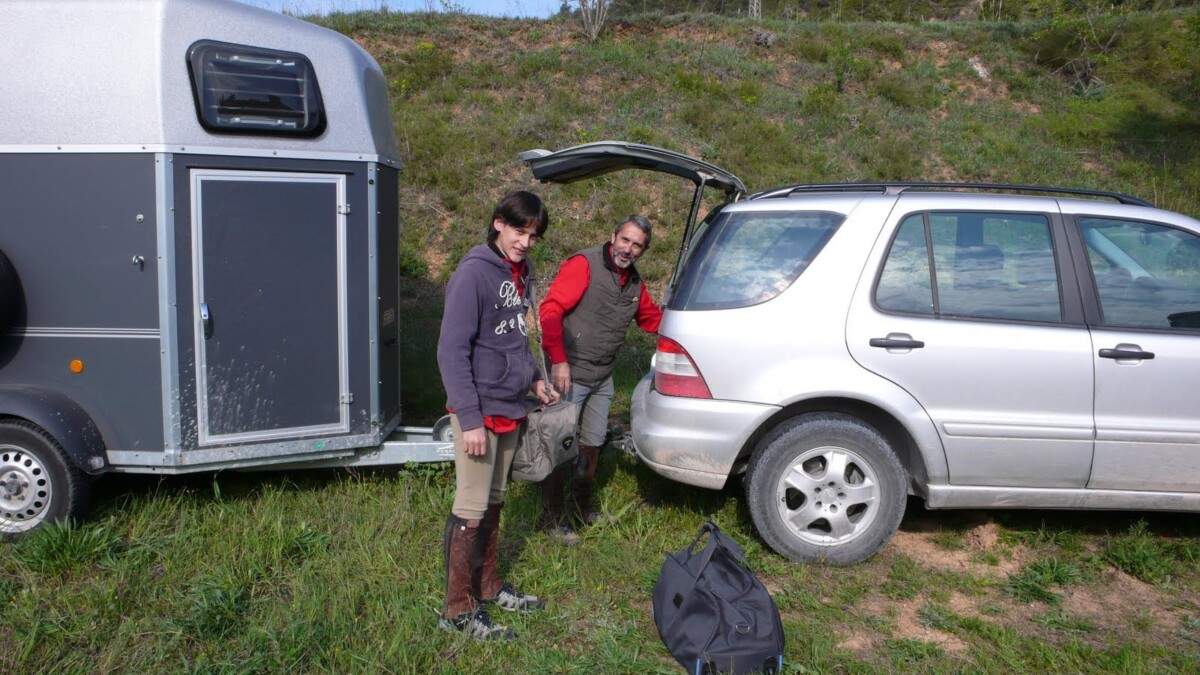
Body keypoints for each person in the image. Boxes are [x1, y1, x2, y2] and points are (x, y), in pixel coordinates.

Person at [436, 190, 558, 640]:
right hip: (480, 410)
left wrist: (534, 380)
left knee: (494, 501)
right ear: (498, 224)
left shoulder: (521, 272)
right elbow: (451, 351)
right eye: (519, 231)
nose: (525, 242)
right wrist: (469, 419)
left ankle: (486, 587)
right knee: (470, 509)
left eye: (533, 235)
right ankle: (456, 611)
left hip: (511, 405)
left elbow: (514, 339)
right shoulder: (473, 274)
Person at [538, 215, 663, 543]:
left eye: (637, 245)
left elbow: (652, 319)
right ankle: (551, 520)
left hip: (601, 376)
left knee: (592, 445)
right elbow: (550, 310)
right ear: (613, 236)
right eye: (625, 240)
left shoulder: (634, 284)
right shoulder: (585, 265)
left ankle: (581, 511)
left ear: (644, 251)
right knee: (561, 446)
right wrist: (559, 360)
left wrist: (687, 327)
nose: (628, 249)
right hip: (569, 373)